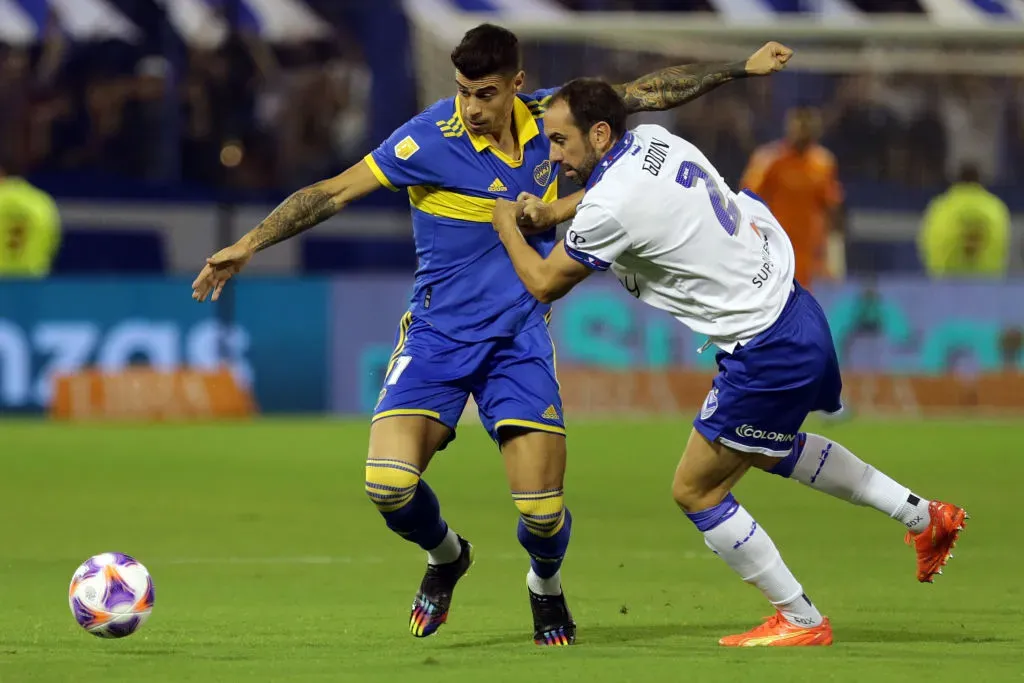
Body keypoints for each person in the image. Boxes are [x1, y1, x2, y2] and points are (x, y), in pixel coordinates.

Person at [190, 24, 793, 646]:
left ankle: (545, 586)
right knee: (388, 486)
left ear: (517, 86)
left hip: (518, 341)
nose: (471, 108)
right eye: (462, 92)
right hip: (437, 338)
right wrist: (247, 245)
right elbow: (333, 191)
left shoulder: (550, 121)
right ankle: (447, 555)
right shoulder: (429, 137)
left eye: (484, 93)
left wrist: (739, 69)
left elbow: (647, 91)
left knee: (542, 515)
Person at [491, 78, 967, 647]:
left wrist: (506, 225)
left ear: (598, 133)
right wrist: (550, 214)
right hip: (794, 309)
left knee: (696, 490)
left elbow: (545, 282)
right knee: (772, 448)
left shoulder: (610, 204)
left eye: (561, 141)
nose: (554, 155)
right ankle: (924, 517)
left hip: (765, 349)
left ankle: (800, 617)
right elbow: (608, 199)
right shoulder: (653, 142)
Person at [740, 106, 844, 290]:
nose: (803, 132)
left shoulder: (823, 163)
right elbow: (747, 198)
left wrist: (834, 250)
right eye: (799, 126)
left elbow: (832, 206)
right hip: (773, 244)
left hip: (807, 250)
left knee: (801, 298)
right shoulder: (769, 160)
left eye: (808, 126)